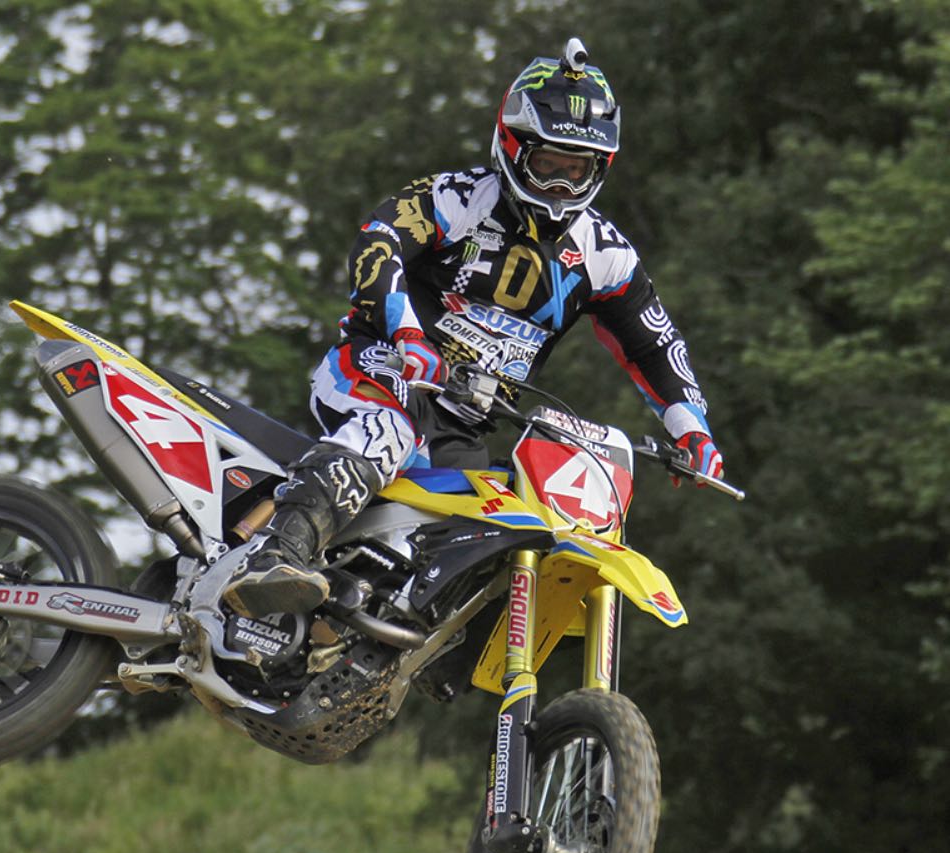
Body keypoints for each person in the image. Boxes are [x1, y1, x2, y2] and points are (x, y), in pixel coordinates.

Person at [224, 37, 723, 619]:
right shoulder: (456, 198)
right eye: (548, 165)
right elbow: (377, 243)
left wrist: (693, 430)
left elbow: (654, 342)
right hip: (379, 372)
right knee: (388, 429)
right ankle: (273, 554)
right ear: (512, 147)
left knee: (489, 540)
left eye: (576, 169)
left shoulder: (604, 254)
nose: (561, 185)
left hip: (468, 423)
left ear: (600, 167)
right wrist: (407, 334)